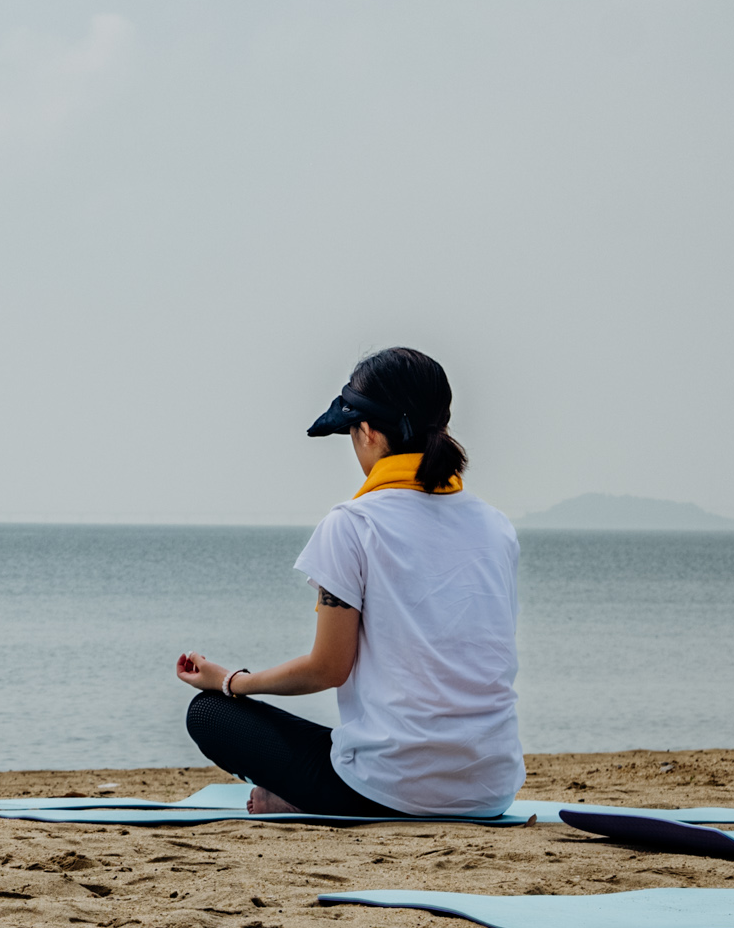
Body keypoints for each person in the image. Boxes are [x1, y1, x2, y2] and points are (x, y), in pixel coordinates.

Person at [174, 347, 521, 817]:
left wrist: (233, 681)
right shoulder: (496, 526)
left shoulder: (352, 524)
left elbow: (329, 668)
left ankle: (302, 798)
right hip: (491, 788)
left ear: (369, 432)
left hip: (390, 787)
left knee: (210, 715)